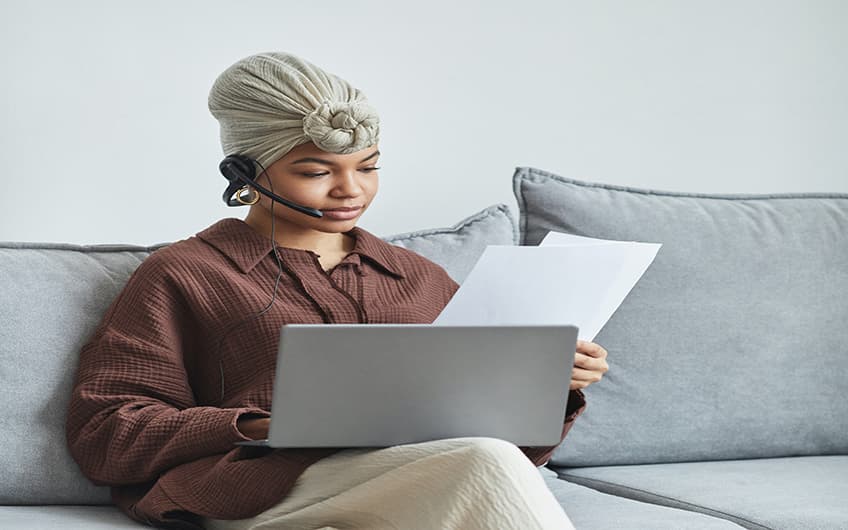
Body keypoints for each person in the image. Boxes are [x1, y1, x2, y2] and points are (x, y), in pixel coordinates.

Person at [65, 51, 609, 530]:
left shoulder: (416, 277)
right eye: (316, 171)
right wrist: (259, 424)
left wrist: (549, 383)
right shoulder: (184, 273)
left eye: (368, 168)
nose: (351, 190)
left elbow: (509, 448)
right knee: (482, 464)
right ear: (244, 172)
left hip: (418, 479)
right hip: (263, 489)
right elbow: (106, 431)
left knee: (486, 461)